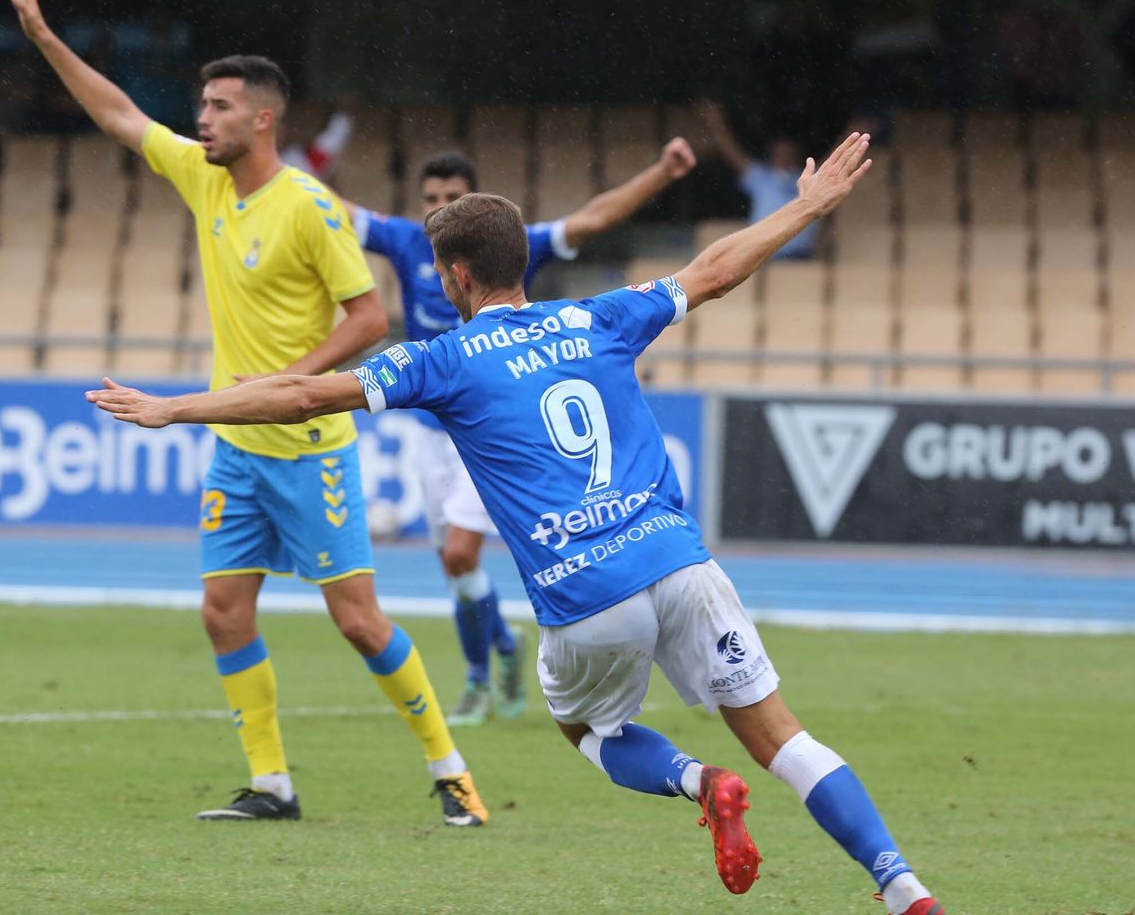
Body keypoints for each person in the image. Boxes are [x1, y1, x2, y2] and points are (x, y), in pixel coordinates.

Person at [88, 134, 946, 915]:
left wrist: (177, 408)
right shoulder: (598, 315)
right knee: (786, 738)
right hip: (680, 562)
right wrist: (806, 206)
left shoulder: (446, 358)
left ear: (457, 277)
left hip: (587, 593)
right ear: (517, 262)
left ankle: (696, 781)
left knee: (587, 731)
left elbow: (307, 393)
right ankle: (901, 886)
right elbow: (715, 269)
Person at [3, 0, 487, 826]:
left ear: (262, 119)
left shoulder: (310, 208)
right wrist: (44, 39)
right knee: (223, 609)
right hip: (238, 447)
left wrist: (293, 381)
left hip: (307, 447)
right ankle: (271, 783)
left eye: (219, 107)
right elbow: (117, 114)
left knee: (359, 622)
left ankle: (452, 772)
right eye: (202, 107)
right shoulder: (202, 177)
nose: (202, 119)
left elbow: (370, 315)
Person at [345, 142, 696, 725]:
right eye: (431, 198)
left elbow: (594, 219)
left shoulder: (503, 250)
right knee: (454, 567)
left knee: (461, 552)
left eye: (451, 198)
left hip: (490, 432)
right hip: (432, 434)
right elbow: (330, 209)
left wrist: (660, 171)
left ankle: (484, 678)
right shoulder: (408, 241)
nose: (438, 207)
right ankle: (498, 654)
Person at [698, 99, 819, 259]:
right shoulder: (762, 178)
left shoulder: (810, 176)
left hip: (801, 260)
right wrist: (716, 124)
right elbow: (732, 154)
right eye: (779, 152)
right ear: (772, 154)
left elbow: (837, 163)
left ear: (797, 154)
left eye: (788, 152)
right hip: (762, 258)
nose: (783, 155)